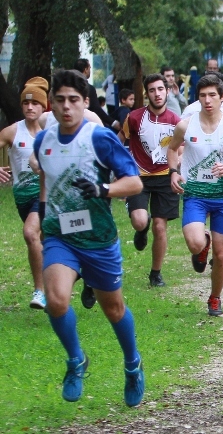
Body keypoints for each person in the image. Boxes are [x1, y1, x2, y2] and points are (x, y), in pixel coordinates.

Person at [34, 69, 145, 406]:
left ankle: (133, 365)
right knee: (56, 300)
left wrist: (103, 189)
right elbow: (46, 180)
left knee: (114, 309)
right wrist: (41, 214)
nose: (66, 107)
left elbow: (135, 182)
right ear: (51, 104)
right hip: (60, 235)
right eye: (60, 100)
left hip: (98, 238)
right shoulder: (43, 141)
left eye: (74, 100)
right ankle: (76, 360)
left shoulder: (99, 138)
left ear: (85, 103)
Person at [166, 75, 223, 317]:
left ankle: (215, 298)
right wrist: (173, 172)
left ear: (222, 97)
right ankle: (203, 245)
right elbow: (172, 149)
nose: (208, 100)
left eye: (212, 95)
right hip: (195, 194)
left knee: (221, 256)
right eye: (203, 95)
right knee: (194, 243)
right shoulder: (185, 125)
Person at [119, 74, 181, 288]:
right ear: (147, 94)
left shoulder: (176, 121)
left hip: (165, 176)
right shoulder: (134, 118)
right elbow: (119, 141)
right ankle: (141, 229)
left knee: (160, 227)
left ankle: (156, 273)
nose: (157, 94)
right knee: (139, 221)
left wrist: (177, 167)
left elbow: (181, 148)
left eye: (160, 89)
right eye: (152, 90)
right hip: (139, 177)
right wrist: (119, 168)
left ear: (167, 91)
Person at [0, 77, 48, 308]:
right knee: (44, 242)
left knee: (30, 233)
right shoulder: (12, 131)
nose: (30, 107)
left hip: (46, 195)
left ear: (43, 107)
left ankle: (40, 291)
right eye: (26, 103)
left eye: (35, 103)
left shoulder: (51, 133)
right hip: (22, 199)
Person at [73, 59, 113, 127]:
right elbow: (96, 109)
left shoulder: (69, 86)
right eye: (89, 68)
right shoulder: (89, 88)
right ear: (86, 69)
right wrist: (113, 122)